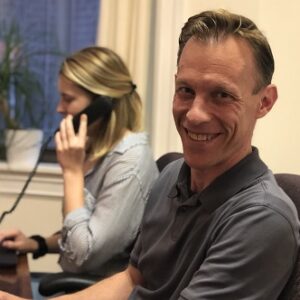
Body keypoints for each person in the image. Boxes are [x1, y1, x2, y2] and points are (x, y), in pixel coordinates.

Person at [0, 8, 299, 300]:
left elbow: (86, 254)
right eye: (185, 90)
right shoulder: (171, 175)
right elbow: (133, 278)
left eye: (221, 95)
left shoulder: (262, 219)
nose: (194, 115)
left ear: (264, 102)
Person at [0, 46, 159, 278]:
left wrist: (72, 173)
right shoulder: (97, 151)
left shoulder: (130, 163)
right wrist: (37, 244)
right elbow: (84, 232)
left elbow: (83, 257)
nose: (59, 108)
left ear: (102, 104)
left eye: (68, 99)